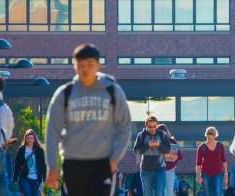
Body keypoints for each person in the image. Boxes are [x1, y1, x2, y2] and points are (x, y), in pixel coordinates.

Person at [44, 43, 133, 195]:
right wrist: (52, 165)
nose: (85, 69)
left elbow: (124, 126)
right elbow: (53, 130)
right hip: (73, 163)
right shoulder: (64, 94)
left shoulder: (112, 91)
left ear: (98, 65)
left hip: (103, 162)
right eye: (80, 64)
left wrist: (114, 159)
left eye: (89, 64)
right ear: (74, 65)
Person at [133, 116, 171, 196]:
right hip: (145, 170)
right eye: (150, 127)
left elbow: (167, 150)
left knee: (159, 193)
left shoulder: (163, 135)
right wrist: (147, 145)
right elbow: (136, 151)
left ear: (157, 125)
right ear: (146, 125)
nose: (152, 129)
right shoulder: (141, 136)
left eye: (154, 126)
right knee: (147, 193)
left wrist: (159, 145)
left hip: (160, 169)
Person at [195, 127, 228, 196]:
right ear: (206, 136)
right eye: (209, 138)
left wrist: (225, 174)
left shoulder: (220, 145)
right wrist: (198, 175)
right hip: (205, 174)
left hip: (218, 173)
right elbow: (198, 162)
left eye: (212, 138)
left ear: (215, 136)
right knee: (207, 194)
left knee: (218, 193)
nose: (210, 140)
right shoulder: (202, 147)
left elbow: (224, 160)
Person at [13, 129, 46, 196]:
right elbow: (17, 165)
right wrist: (15, 178)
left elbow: (43, 164)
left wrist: (44, 177)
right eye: (28, 138)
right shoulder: (21, 149)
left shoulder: (39, 150)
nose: (30, 140)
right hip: (25, 177)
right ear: (25, 138)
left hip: (36, 178)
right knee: (27, 194)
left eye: (31, 138)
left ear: (34, 139)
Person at [157, 124, 182, 196]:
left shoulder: (172, 142)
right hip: (157, 169)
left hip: (169, 169)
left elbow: (180, 156)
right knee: (158, 191)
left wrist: (171, 156)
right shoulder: (155, 142)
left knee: (169, 191)